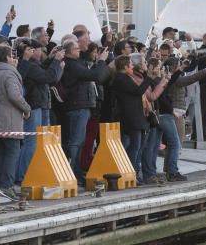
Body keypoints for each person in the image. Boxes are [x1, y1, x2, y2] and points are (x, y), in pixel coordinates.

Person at [15, 39, 64, 184]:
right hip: (35, 105)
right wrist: (56, 61)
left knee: (38, 141)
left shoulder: (32, 64)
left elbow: (42, 71)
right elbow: (48, 77)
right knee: (32, 142)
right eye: (39, 50)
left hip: (41, 105)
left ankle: (28, 173)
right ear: (31, 51)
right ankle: (23, 175)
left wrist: (50, 59)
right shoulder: (29, 65)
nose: (41, 52)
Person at [60, 40, 110, 179]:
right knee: (75, 141)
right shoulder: (72, 65)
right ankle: (71, 171)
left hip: (83, 105)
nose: (79, 51)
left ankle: (76, 170)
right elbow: (94, 76)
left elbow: (97, 76)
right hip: (77, 105)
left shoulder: (77, 63)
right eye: (76, 49)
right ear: (69, 51)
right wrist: (101, 61)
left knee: (81, 140)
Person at [0, 44, 31, 196]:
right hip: (9, 119)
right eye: (12, 56)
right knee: (12, 153)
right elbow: (15, 95)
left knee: (0, 153)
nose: (14, 58)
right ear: (7, 58)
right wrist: (26, 108)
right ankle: (7, 186)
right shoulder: (9, 74)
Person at [158, 55, 206, 181]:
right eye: (178, 64)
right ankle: (172, 171)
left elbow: (189, 71)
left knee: (173, 144)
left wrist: (195, 58)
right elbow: (191, 78)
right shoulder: (174, 79)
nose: (181, 66)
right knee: (177, 143)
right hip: (175, 113)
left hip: (178, 112)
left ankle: (169, 170)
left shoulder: (172, 77)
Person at [111, 54, 152, 180]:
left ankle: (132, 172)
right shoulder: (121, 78)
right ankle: (130, 173)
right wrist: (149, 77)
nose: (133, 66)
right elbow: (138, 91)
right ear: (125, 66)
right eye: (131, 64)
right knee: (134, 147)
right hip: (130, 117)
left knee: (137, 146)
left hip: (134, 116)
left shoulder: (124, 78)